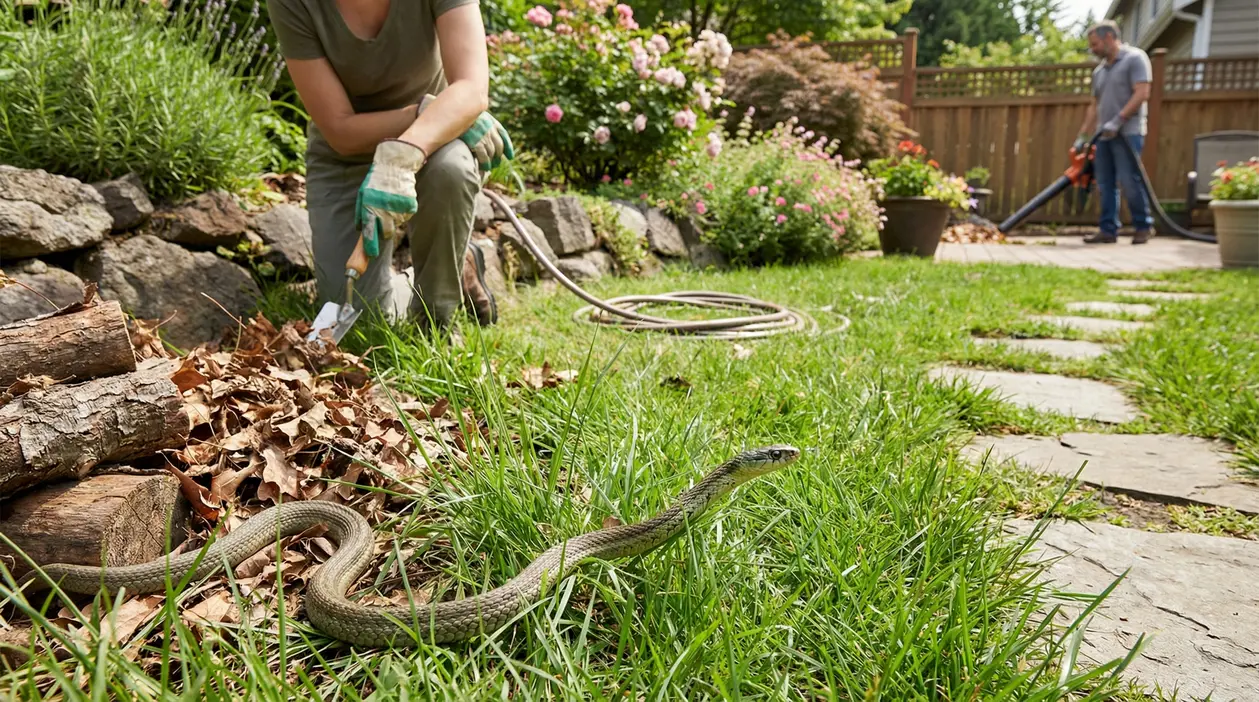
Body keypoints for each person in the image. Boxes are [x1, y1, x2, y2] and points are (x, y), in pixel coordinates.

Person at [265, 0, 512, 331]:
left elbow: (471, 88)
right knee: (359, 322)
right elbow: (339, 128)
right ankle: (450, 266)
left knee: (451, 171)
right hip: (349, 154)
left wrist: (404, 153)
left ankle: (436, 323)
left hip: (434, 142)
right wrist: (421, 110)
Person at [1075, 19, 1154, 245]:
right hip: (1103, 135)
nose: (1093, 49)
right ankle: (1108, 230)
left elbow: (1142, 93)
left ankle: (1143, 226)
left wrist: (1118, 120)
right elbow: (1094, 106)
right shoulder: (1099, 71)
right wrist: (1082, 136)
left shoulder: (1135, 59)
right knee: (1104, 183)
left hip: (1128, 133)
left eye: (1095, 43)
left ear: (1109, 37)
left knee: (1129, 180)